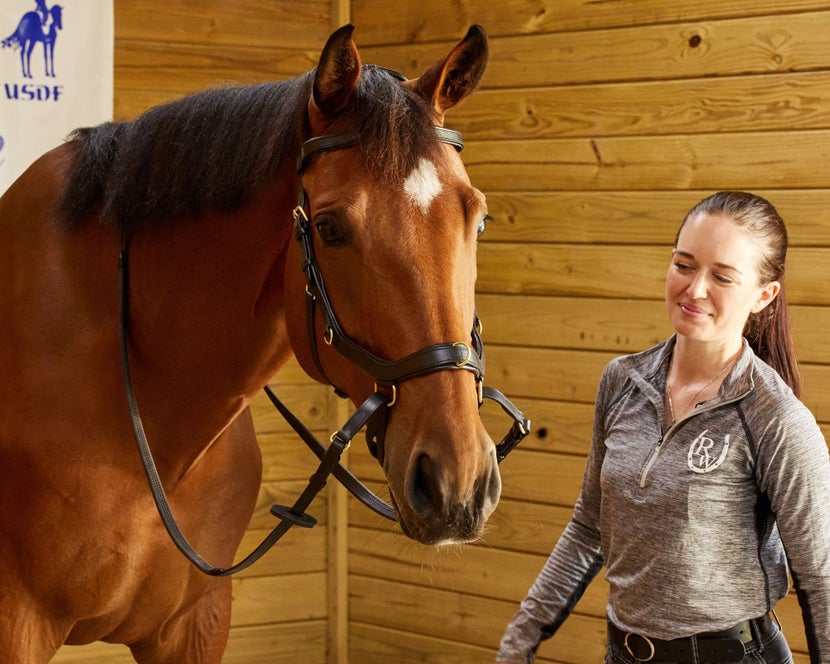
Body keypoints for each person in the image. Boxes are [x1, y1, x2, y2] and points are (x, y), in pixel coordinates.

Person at [496, 191, 830, 664]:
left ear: (763, 295)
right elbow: (590, 526)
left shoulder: (773, 415)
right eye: (684, 265)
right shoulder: (622, 381)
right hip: (625, 653)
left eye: (722, 276)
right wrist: (519, 640)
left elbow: (821, 579)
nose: (694, 289)